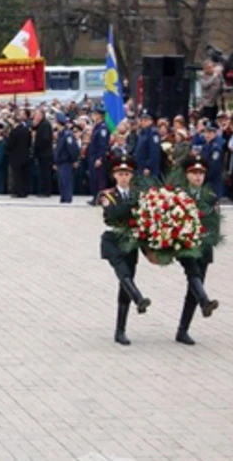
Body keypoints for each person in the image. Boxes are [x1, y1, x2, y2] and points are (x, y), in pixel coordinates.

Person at [98, 155, 152, 346]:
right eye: (120, 174)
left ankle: (120, 330)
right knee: (123, 273)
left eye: (127, 174)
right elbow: (113, 214)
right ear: (114, 175)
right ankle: (139, 299)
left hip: (131, 240)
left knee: (125, 284)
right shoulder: (107, 194)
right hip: (113, 239)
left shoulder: (138, 193)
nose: (123, 177)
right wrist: (132, 204)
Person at [175, 154, 220, 345]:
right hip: (184, 246)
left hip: (204, 247)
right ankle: (205, 301)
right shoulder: (178, 195)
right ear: (187, 175)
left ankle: (183, 330)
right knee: (193, 274)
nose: (198, 177)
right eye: (194, 173)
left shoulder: (210, 197)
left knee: (194, 285)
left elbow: (215, 224)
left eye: (201, 173)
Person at [53, 113, 79, 203]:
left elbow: (73, 149)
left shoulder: (67, 135)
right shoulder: (61, 134)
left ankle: (67, 199)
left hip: (66, 162)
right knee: (61, 183)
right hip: (60, 162)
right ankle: (63, 198)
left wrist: (74, 160)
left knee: (66, 182)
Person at [87, 104, 110, 205]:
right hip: (93, 156)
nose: (93, 116)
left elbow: (103, 145)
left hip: (98, 157)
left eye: (95, 114)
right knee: (94, 178)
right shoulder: (97, 126)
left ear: (99, 115)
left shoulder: (103, 128)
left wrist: (100, 158)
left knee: (99, 179)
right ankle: (95, 197)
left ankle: (99, 198)